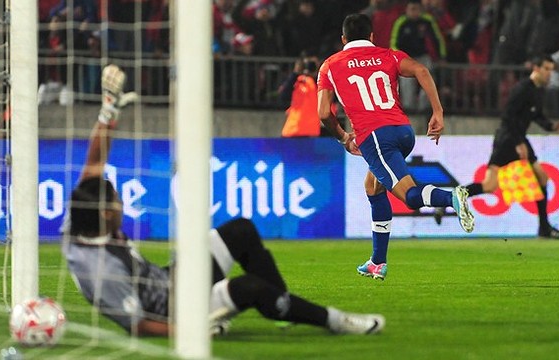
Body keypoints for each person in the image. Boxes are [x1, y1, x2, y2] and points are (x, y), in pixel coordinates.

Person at [62, 64, 386, 337]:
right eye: (116, 203)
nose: (121, 207)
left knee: (241, 231)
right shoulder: (98, 269)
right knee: (248, 288)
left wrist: (108, 111)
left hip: (171, 281)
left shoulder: (80, 215)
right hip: (177, 310)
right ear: (105, 214)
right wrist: (191, 331)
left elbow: (92, 165)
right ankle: (335, 320)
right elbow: (138, 325)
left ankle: (282, 306)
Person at [317, 13, 474, 281]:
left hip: (375, 137)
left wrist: (344, 137)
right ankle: (377, 261)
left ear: (343, 39)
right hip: (403, 131)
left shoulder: (330, 65)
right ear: (371, 37)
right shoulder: (388, 55)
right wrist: (437, 111)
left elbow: (323, 113)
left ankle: (452, 198)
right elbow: (422, 71)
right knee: (373, 186)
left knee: (410, 197)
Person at [433, 55, 559, 239]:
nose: (549, 73)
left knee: (494, 185)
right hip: (509, 138)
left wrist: (552, 126)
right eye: (546, 69)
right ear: (536, 68)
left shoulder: (537, 91)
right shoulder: (522, 89)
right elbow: (508, 117)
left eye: (551, 70)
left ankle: (448, 199)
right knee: (530, 179)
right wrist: (519, 143)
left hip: (516, 137)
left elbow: (536, 115)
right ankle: (544, 229)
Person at [278, 55, 323, 137]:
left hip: (311, 132)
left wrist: (317, 73)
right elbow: (283, 95)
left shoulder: (320, 82)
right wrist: (295, 73)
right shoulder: (297, 81)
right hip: (293, 131)